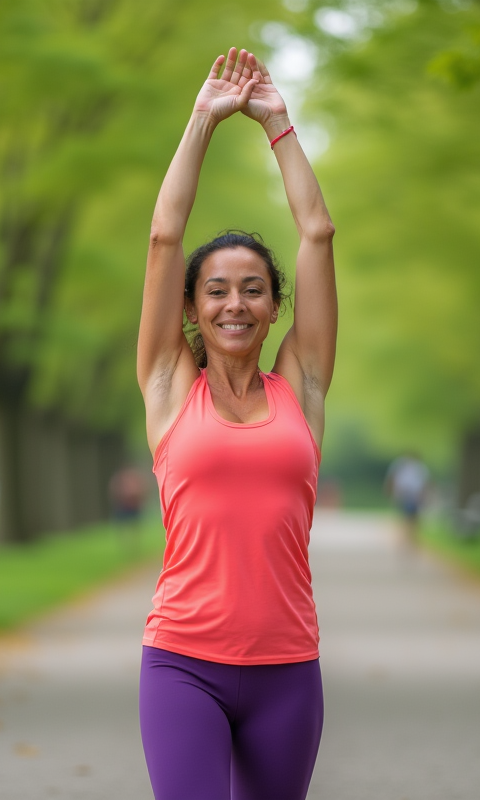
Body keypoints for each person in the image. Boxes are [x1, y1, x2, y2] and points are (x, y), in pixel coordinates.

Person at [135, 47, 336, 800]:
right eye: (216, 290)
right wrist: (203, 121)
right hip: (183, 663)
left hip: (289, 667)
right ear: (191, 308)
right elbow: (163, 236)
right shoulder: (166, 387)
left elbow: (316, 233)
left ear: (274, 307)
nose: (234, 303)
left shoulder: (303, 388)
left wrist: (279, 126)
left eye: (253, 289)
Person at [384, 452, 430, 550]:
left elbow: (425, 482)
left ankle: (411, 538)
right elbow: (392, 478)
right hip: (404, 495)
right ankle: (406, 538)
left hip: (414, 496)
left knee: (413, 518)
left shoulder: (419, 467)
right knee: (405, 517)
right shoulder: (400, 465)